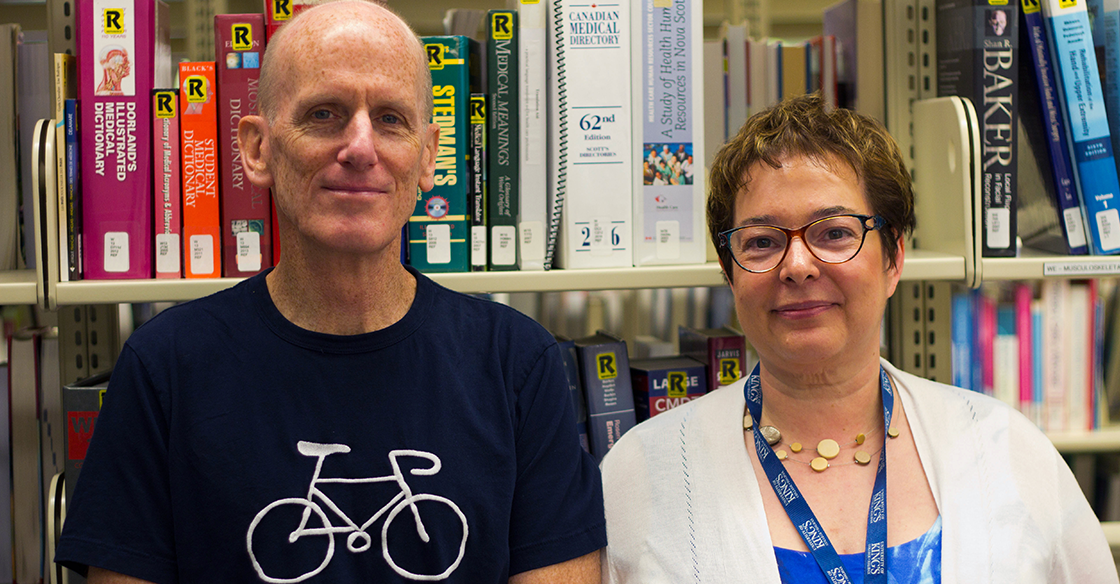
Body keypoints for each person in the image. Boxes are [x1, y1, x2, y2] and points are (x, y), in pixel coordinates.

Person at [55, 2, 605, 582]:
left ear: (427, 156)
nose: (361, 148)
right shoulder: (164, 366)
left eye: (391, 119)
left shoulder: (518, 363)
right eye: (324, 113)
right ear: (258, 149)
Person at [600, 93, 1116, 583]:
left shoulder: (1007, 450)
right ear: (729, 271)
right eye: (760, 242)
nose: (798, 266)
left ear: (894, 258)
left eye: (835, 233)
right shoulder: (645, 471)